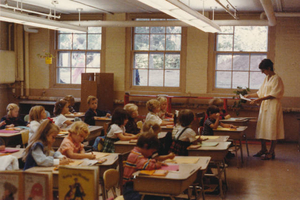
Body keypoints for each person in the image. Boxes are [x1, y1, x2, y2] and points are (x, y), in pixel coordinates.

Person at [245, 59, 284, 160]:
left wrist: (258, 100)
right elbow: (260, 92)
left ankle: (271, 152)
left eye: (263, 70)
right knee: (262, 127)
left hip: (273, 106)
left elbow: (273, 94)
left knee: (273, 127)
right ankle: (263, 149)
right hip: (265, 106)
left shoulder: (277, 79)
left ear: (269, 68)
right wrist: (249, 95)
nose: (262, 72)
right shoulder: (267, 78)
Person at [123, 131, 165, 200]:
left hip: (137, 187)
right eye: (151, 152)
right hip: (131, 191)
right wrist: (157, 164)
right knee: (156, 195)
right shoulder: (136, 155)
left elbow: (146, 161)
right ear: (145, 146)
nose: (151, 154)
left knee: (158, 194)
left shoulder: (138, 153)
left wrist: (154, 162)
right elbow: (147, 165)